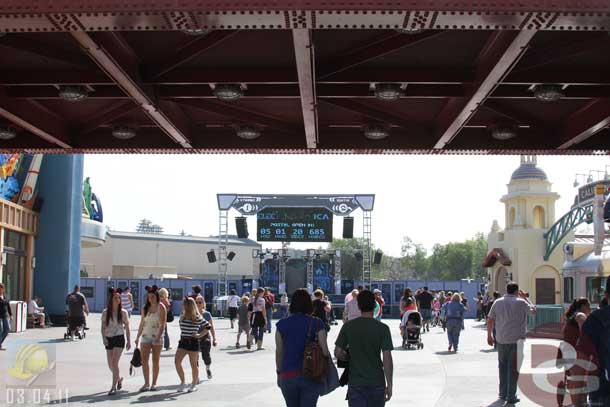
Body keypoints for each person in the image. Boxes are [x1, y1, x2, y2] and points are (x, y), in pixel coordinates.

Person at [335, 290, 393, 406]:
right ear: (374, 305)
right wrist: (390, 386)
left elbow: (338, 352)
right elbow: (387, 359)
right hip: (377, 382)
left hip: (356, 382)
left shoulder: (348, 326)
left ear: (358, 306)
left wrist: (347, 358)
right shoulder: (383, 328)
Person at [276, 288, 330, 407]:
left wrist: (279, 373)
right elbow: (325, 351)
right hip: (312, 374)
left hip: (288, 374)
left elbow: (279, 352)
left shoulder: (281, 324)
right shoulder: (317, 323)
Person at [487, 282, 536, 404]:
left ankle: (502, 393)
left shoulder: (497, 302)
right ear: (516, 291)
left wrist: (489, 335)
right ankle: (511, 395)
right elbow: (534, 311)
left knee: (502, 367)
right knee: (513, 369)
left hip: (501, 339)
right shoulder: (521, 302)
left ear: (507, 290)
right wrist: (525, 298)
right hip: (517, 340)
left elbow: (490, 319)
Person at [576, 276, 610, 406]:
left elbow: (581, 359)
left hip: (601, 390)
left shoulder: (595, 319)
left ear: (606, 295)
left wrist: (578, 395)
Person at [556, 298, 590, 407]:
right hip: (577, 353)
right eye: (588, 306)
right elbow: (583, 328)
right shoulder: (580, 315)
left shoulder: (570, 318)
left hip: (568, 353)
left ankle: (578, 403)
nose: (589, 309)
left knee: (574, 382)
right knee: (579, 383)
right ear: (583, 306)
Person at [135, 285, 167, 392]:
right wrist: (137, 336)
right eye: (149, 296)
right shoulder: (145, 307)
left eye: (152, 296)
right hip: (145, 336)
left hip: (157, 337)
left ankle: (154, 383)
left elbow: (163, 324)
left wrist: (158, 337)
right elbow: (142, 323)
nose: (150, 298)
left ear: (157, 296)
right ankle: (146, 383)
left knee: (155, 360)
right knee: (144, 360)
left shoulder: (161, 307)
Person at [175, 296, 210, 393]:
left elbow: (208, 326)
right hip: (183, 342)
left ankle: (194, 384)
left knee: (193, 364)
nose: (182, 305)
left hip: (193, 342)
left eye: (184, 304)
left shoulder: (197, 317)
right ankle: (183, 382)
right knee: (177, 362)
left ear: (189, 306)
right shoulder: (182, 315)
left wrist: (199, 335)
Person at [101, 288, 131, 396]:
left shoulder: (123, 312)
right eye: (115, 298)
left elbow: (127, 327)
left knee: (114, 362)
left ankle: (113, 387)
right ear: (111, 299)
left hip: (119, 338)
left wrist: (129, 340)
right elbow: (103, 327)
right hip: (109, 338)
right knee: (110, 364)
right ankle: (118, 379)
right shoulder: (105, 312)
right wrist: (103, 338)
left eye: (119, 298)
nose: (117, 299)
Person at [195, 295, 217, 379]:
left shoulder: (207, 314)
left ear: (203, 303)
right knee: (195, 357)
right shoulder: (193, 314)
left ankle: (208, 368)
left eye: (200, 302)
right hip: (195, 338)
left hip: (205, 338)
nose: (198, 304)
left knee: (206, 356)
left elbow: (211, 327)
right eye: (196, 302)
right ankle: (196, 375)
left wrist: (214, 338)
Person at [0, 283, 12, 350]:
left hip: (5, 315)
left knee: (7, 329)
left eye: (1, 289)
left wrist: (11, 314)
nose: (0, 290)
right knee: (1, 329)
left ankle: (0, 342)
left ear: (3, 289)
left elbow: (8, 306)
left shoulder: (6, 297)